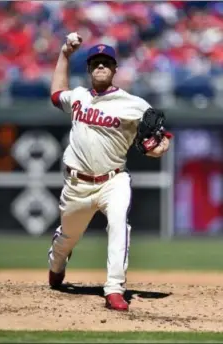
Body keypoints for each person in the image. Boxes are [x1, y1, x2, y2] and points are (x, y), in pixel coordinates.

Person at [48, 32, 171, 311]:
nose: (101, 66)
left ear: (115, 69)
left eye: (106, 62)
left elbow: (161, 141)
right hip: (77, 183)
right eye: (96, 62)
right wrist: (64, 54)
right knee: (68, 238)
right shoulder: (78, 96)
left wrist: (158, 148)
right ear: (90, 68)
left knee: (119, 224)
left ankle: (114, 288)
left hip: (113, 180)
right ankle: (57, 263)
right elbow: (56, 94)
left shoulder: (135, 104)